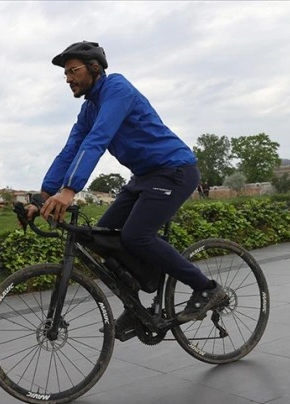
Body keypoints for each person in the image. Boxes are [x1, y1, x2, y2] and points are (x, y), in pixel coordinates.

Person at [27, 41, 226, 336]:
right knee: (100, 238)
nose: (68, 78)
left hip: (174, 170)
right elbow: (70, 150)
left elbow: (99, 138)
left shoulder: (117, 89)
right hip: (144, 176)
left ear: (94, 68)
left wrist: (69, 190)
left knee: (136, 236)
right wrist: (44, 196)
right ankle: (136, 307)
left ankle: (207, 288)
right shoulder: (88, 110)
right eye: (65, 73)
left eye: (72, 71)